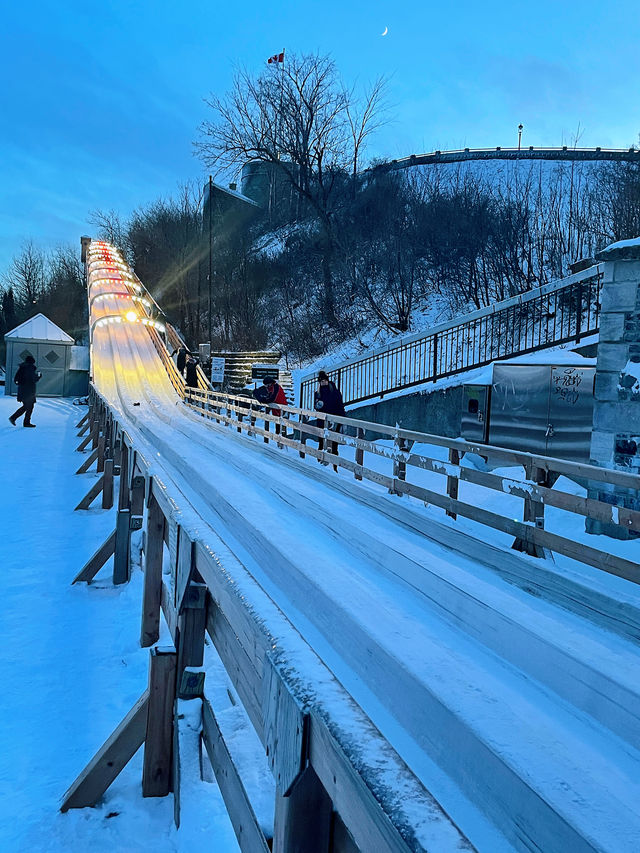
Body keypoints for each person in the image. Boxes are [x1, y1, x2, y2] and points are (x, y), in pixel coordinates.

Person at [314, 370, 346, 461]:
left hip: (334, 418)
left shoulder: (334, 391)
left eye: (324, 381)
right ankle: (320, 459)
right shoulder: (318, 393)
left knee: (334, 441)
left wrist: (340, 418)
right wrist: (318, 406)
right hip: (322, 418)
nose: (323, 383)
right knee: (321, 439)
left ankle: (334, 461)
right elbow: (316, 406)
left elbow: (339, 405)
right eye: (321, 381)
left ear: (327, 380)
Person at [9, 355, 41, 428]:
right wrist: (39, 376)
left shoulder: (22, 368)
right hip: (28, 392)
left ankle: (16, 419)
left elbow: (16, 379)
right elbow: (33, 379)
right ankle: (20, 420)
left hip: (22, 391)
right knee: (29, 406)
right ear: (32, 361)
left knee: (27, 406)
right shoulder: (30, 368)